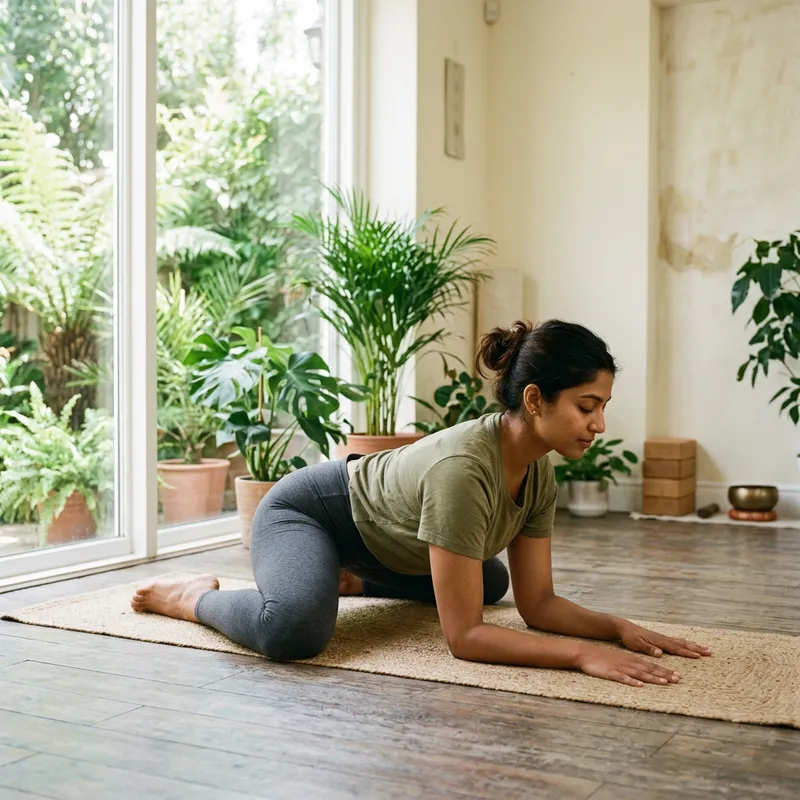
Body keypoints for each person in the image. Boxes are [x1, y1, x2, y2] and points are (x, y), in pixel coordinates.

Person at [132, 319, 712, 687]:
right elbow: (465, 640)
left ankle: (353, 581)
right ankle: (192, 599)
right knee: (293, 632)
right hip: (309, 511)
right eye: (587, 407)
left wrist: (615, 628)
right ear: (535, 400)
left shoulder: (536, 473)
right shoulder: (465, 470)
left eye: (602, 406)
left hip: (378, 537)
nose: (600, 423)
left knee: (489, 582)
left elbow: (537, 604)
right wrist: (581, 658)